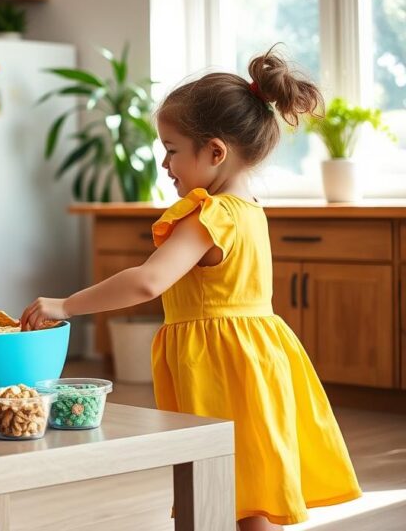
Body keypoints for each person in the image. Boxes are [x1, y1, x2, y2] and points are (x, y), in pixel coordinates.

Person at [20, 47, 361, 530]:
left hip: (221, 362)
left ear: (215, 152)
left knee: (215, 483)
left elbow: (148, 279)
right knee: (249, 487)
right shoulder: (249, 210)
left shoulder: (210, 215)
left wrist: (66, 305)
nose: (164, 163)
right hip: (255, 356)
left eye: (172, 149)